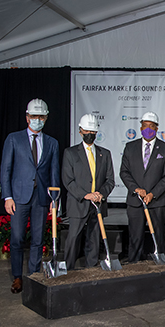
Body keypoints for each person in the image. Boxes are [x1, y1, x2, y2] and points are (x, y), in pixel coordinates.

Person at [0, 98, 60, 293]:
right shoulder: (13, 139)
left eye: (41, 116)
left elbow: (54, 173)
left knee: (37, 239)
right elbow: (6, 169)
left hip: (41, 198)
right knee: (17, 238)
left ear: (46, 118)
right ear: (27, 118)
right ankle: (17, 277)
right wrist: (7, 196)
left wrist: (55, 200)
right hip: (18, 197)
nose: (38, 120)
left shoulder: (52, 143)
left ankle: (33, 275)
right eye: (34, 116)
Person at [61, 114, 115, 269]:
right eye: (86, 131)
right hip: (78, 203)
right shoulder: (70, 153)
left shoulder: (104, 154)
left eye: (92, 131)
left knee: (94, 239)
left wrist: (100, 194)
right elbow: (68, 180)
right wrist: (85, 195)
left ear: (96, 133)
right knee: (73, 239)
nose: (89, 134)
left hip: (97, 204)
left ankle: (91, 270)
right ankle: (68, 270)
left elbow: (110, 180)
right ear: (80, 131)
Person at [120, 112, 165, 263]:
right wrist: (136, 189)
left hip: (157, 202)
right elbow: (124, 172)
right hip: (135, 201)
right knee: (135, 237)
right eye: (145, 125)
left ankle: (159, 269)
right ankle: (134, 267)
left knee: (158, 237)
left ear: (157, 128)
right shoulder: (130, 147)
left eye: (151, 126)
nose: (147, 129)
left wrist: (152, 194)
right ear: (140, 127)